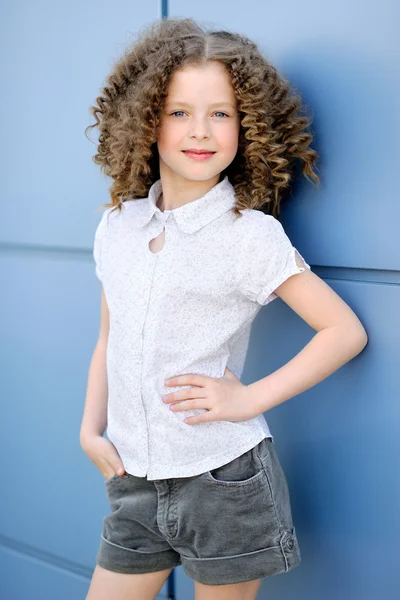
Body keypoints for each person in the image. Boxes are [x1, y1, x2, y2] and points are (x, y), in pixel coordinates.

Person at [80, 17, 368, 600]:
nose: (201, 130)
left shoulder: (249, 236)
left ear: (247, 126)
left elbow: (343, 330)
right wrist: (90, 430)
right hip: (133, 481)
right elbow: (109, 339)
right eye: (180, 111)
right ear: (146, 119)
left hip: (223, 483)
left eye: (222, 113)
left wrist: (248, 398)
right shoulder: (117, 227)